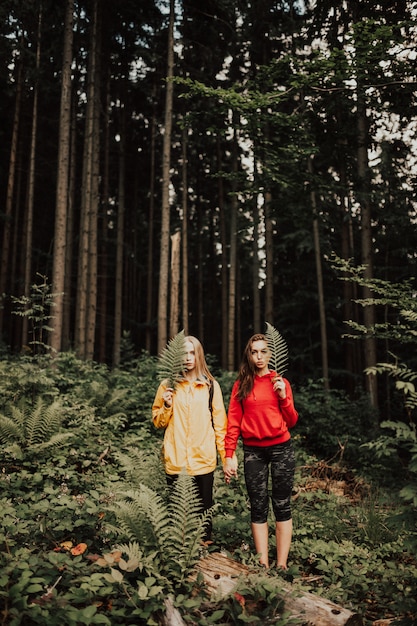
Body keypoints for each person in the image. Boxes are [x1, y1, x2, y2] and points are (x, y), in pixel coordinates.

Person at [223, 333, 298, 570]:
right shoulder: (241, 385)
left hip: (281, 449)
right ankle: (263, 563)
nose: (259, 356)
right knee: (258, 504)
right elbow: (233, 422)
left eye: (263, 351)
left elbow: (292, 420)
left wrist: (283, 397)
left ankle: (282, 565)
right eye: (254, 351)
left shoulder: (280, 382)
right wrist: (228, 454)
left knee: (282, 503)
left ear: (270, 354)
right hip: (254, 451)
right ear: (249, 354)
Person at [152, 335, 228, 542]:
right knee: (179, 516)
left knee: (204, 515)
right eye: (183, 353)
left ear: (199, 355)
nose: (188, 357)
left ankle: (204, 553)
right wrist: (166, 406)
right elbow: (157, 422)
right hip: (176, 461)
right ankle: (181, 558)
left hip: (203, 460)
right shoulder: (167, 385)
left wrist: (226, 458)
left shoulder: (211, 386)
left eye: (192, 352)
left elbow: (221, 426)